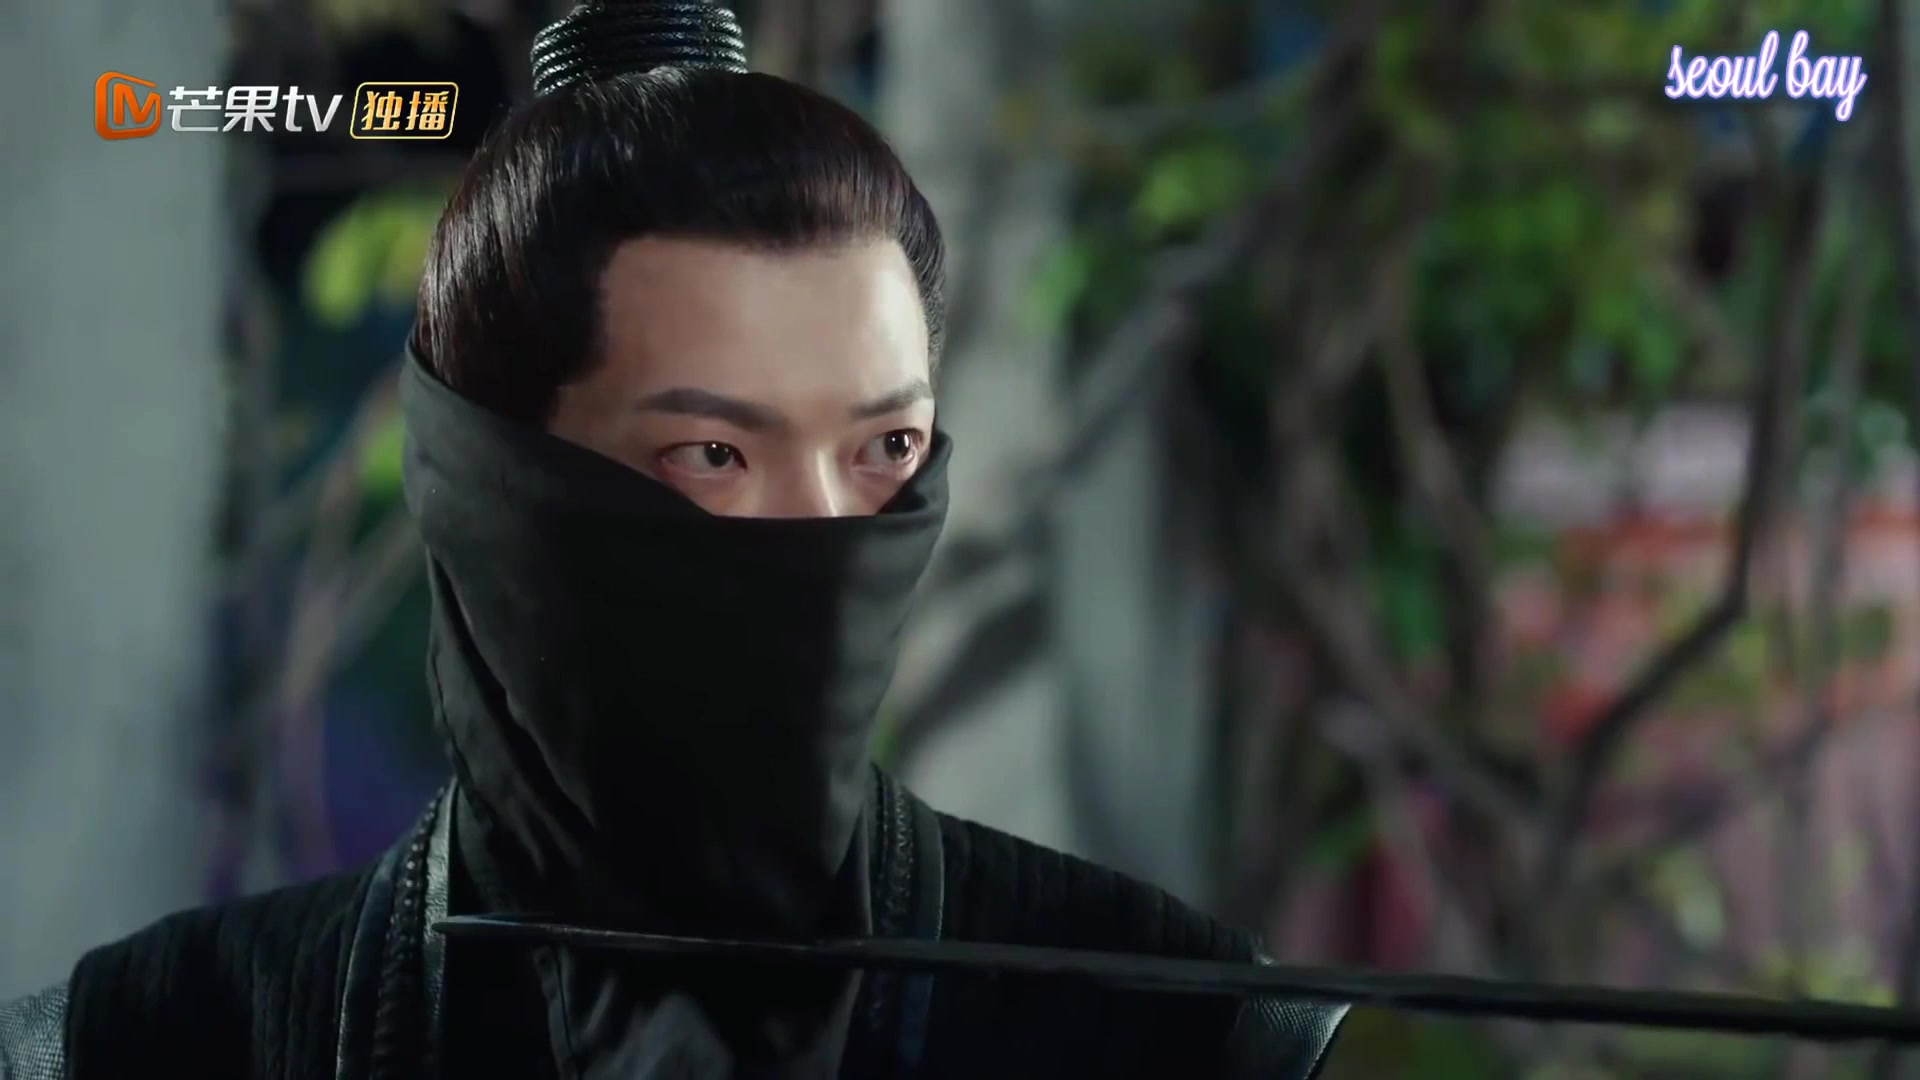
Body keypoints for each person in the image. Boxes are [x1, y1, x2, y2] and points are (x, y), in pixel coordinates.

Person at [0, 2, 1346, 1077]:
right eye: (714, 454)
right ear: (492, 491)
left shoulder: (1174, 1025)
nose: (825, 537)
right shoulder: (159, 1042)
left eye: (885, 448)